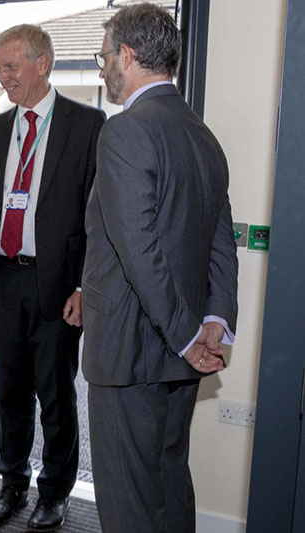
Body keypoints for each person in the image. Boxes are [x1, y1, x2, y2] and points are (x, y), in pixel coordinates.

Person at [82, 4, 238, 532]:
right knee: (169, 489)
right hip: (180, 352)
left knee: (129, 505)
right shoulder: (203, 134)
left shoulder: (124, 132)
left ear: (127, 55)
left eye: (104, 57)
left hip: (133, 352)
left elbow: (138, 250)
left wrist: (186, 336)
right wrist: (212, 322)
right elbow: (221, 242)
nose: (102, 68)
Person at [0, 24, 105, 531]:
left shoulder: (87, 125)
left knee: (55, 394)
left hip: (57, 285)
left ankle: (54, 492)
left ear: (42, 64)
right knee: (11, 395)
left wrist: (84, 286)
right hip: (2, 280)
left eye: (11, 66)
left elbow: (98, 216)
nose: (2, 77)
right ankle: (11, 483)